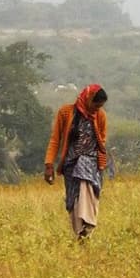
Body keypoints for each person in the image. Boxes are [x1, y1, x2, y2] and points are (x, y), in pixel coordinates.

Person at [44, 84, 109, 240]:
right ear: (88, 99)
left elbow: (102, 140)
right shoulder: (66, 113)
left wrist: (97, 160)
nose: (97, 109)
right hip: (70, 164)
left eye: (100, 106)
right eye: (96, 105)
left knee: (89, 192)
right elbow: (55, 140)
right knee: (73, 198)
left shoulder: (100, 116)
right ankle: (80, 234)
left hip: (92, 163)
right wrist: (49, 165)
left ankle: (88, 226)